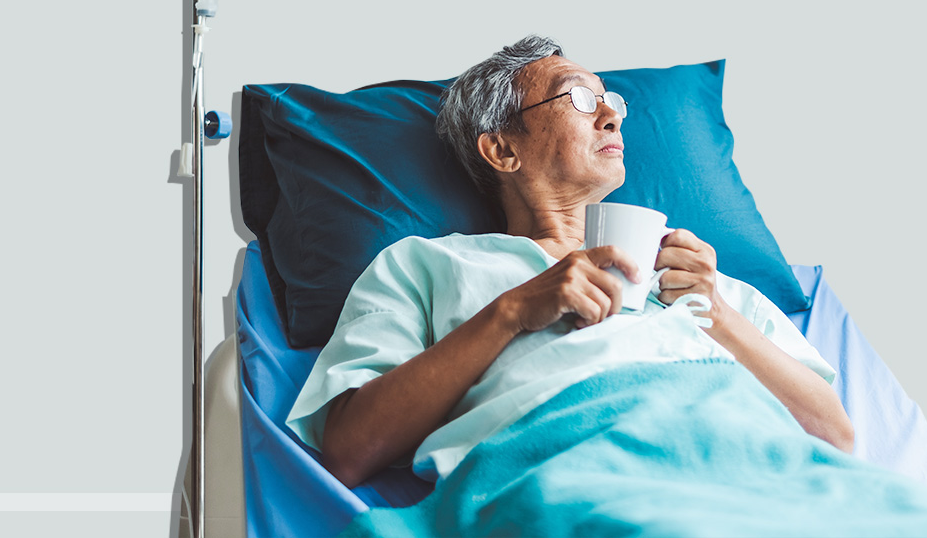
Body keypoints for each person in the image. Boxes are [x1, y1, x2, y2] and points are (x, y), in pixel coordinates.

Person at [286, 35, 854, 489]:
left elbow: (834, 436)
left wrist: (718, 315)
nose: (611, 115)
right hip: (578, 480)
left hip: (752, 472)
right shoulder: (427, 267)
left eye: (611, 101)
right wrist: (511, 312)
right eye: (580, 98)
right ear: (503, 149)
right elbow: (350, 451)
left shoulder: (696, 277)